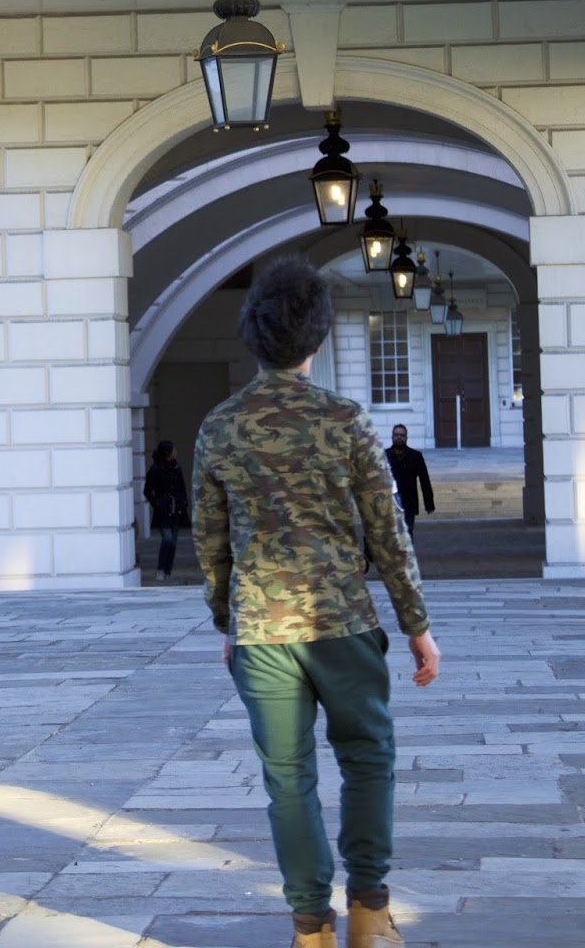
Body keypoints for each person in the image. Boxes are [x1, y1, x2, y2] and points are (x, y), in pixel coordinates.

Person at [192, 256, 441, 948]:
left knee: (288, 779)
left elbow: (210, 541)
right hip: (342, 625)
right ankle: (370, 915)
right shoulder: (346, 420)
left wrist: (229, 620)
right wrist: (416, 625)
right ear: (318, 338)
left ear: (252, 335)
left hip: (262, 631)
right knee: (367, 758)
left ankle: (310, 931)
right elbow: (388, 530)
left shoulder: (219, 426)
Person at [143, 439, 189, 581]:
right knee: (167, 539)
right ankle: (160, 569)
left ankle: (167, 571)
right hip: (163, 511)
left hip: (176, 510)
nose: (176, 452)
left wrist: (183, 503)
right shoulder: (155, 470)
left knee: (173, 542)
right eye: (173, 450)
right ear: (167, 453)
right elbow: (147, 491)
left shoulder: (177, 468)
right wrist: (156, 503)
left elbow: (182, 488)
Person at [385, 424, 435, 538]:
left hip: (408, 503)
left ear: (406, 437)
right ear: (392, 437)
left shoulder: (416, 456)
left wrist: (429, 504)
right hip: (389, 503)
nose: (399, 437)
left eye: (402, 435)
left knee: (407, 535)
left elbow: (424, 480)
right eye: (396, 435)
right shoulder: (384, 456)